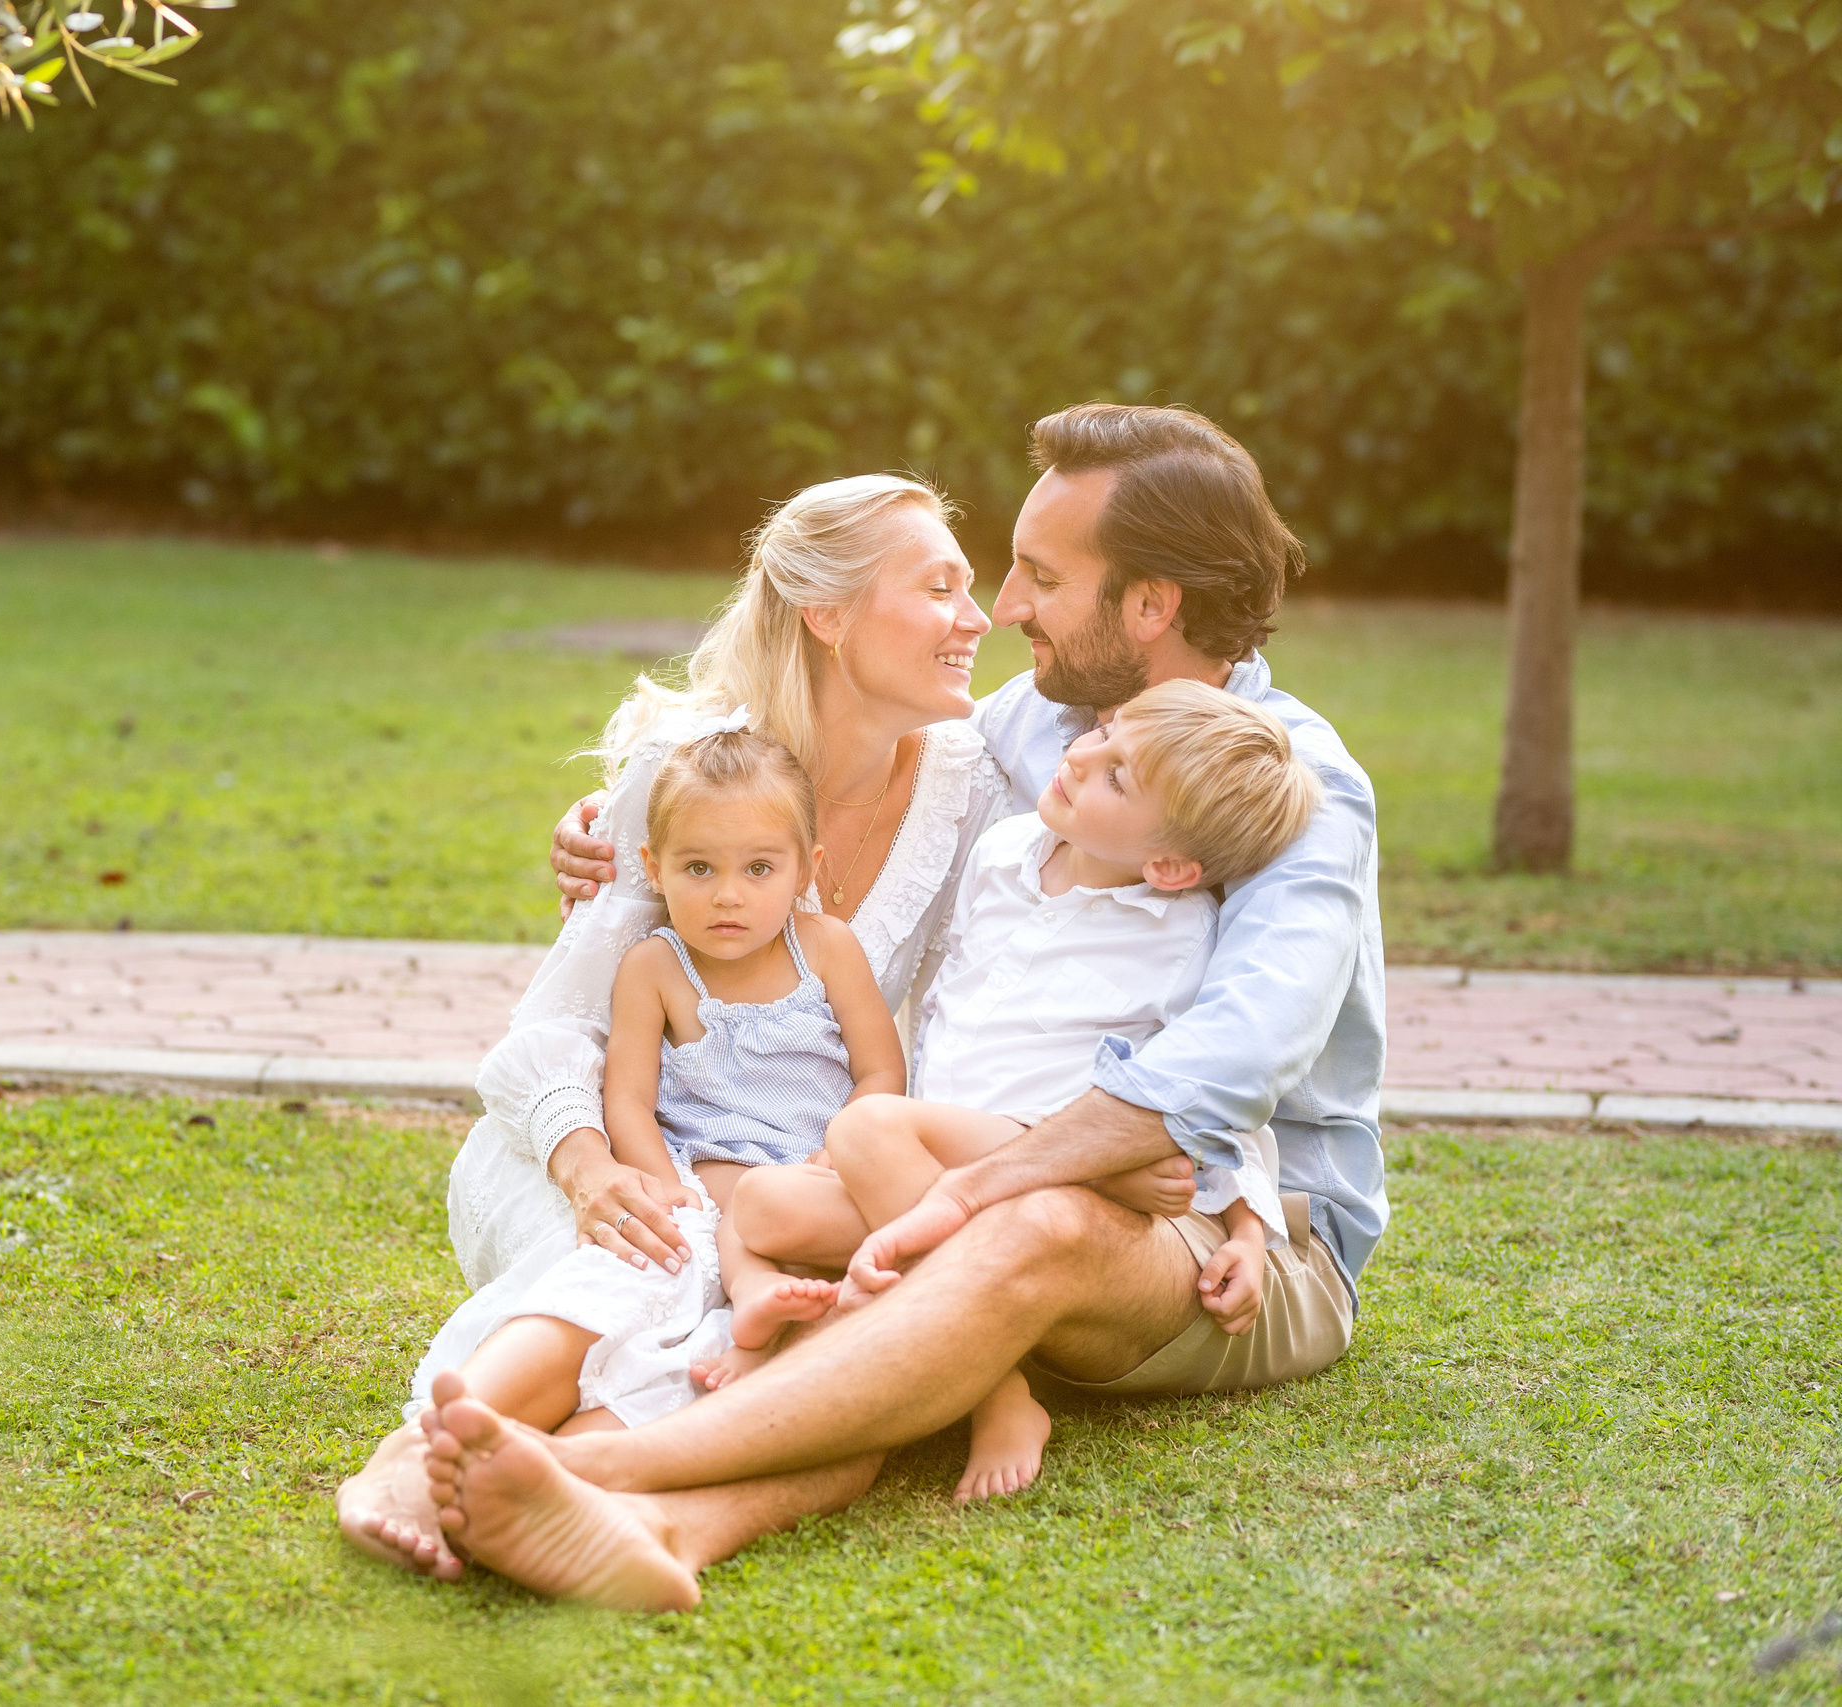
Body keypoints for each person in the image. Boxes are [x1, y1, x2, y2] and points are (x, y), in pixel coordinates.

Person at [419, 401, 1388, 1610]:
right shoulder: (1042, 728)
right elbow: (836, 742)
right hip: (974, 1166)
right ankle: (667, 1528)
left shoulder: (1289, 786)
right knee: (842, 1267)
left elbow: (1236, 1061)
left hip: (1243, 1237)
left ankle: (597, 1467)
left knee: (1018, 1227)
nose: (1007, 608)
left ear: (1149, 605)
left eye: (1040, 578)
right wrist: (628, 830)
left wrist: (979, 1187)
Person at [335, 473, 1016, 1582]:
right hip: (590, 1146)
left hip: (788, 1171)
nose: (976, 619)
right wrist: (598, 1167)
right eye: (939, 588)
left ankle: (565, 1487)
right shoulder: (695, 765)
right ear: (826, 613)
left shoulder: (970, 777)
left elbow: (934, 1039)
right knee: (643, 1263)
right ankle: (413, 1457)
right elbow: (552, 1033)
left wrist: (834, 1177)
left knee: (789, 1329)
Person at [726, 677, 1321, 1502]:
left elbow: (1222, 1092)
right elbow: (947, 1015)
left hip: (1053, 1154)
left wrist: (1248, 1232)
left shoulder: (1180, 936)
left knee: (864, 1129)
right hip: (947, 1158)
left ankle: (998, 1393)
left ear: (1168, 864)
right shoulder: (1003, 853)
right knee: (762, 1204)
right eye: (1102, 736)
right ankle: (923, 1312)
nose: (1080, 757)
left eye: (1117, 777)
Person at [449, 726, 908, 1449]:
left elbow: (882, 1070)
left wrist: (842, 1149)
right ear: (653, 868)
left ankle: (771, 1321)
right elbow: (628, 1099)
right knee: (723, 1224)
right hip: (714, 1165)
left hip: (822, 1159)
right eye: (698, 868)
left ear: (805, 868)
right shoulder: (656, 967)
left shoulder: (826, 948)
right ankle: (750, 1301)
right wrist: (669, 1185)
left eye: (759, 869)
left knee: (817, 1228)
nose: (728, 895)